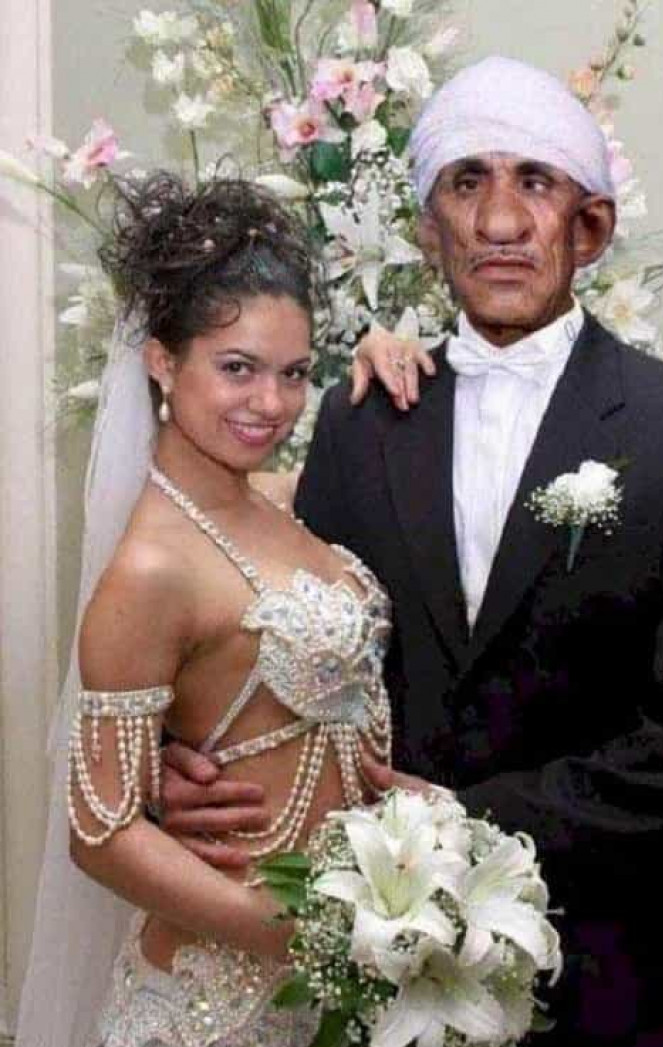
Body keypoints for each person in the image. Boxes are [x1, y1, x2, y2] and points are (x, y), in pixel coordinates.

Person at [161, 57, 663, 1047]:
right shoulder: (363, 420)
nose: (498, 222)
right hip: (377, 960)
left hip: (607, 961)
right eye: (466, 182)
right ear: (426, 228)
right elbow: (284, 652)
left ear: (590, 227)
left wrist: (471, 818)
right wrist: (190, 762)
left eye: (535, 182)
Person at [16, 173, 393, 1047]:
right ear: (161, 362)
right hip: (208, 1003)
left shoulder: (272, 502)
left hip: (328, 984)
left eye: (293, 373)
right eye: (237, 368)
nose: (271, 403)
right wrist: (285, 933)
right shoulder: (151, 564)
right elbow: (99, 833)